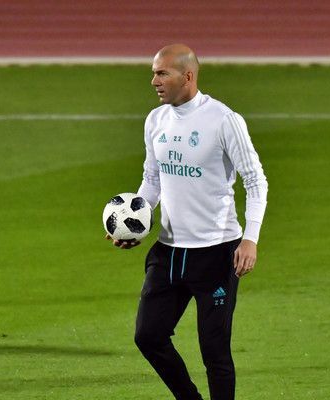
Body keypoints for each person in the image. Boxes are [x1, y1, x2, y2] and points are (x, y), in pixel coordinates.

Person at [107, 44, 268, 399]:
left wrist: (250, 238)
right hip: (169, 251)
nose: (154, 81)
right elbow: (152, 179)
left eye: (162, 73)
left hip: (216, 253)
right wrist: (137, 221)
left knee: (215, 352)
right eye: (153, 72)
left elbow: (255, 181)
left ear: (188, 76)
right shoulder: (156, 120)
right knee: (147, 336)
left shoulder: (224, 120)